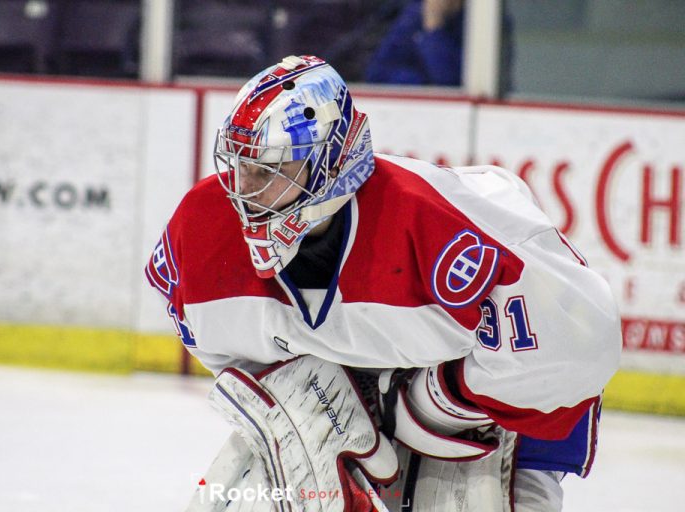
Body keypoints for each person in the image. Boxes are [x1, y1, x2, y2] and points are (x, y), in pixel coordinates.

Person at [146, 55, 621, 511]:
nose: (247, 192)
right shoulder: (202, 228)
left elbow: (579, 344)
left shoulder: (437, 225)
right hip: (368, 395)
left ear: (331, 166)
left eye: (275, 171)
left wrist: (437, 406)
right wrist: (312, 404)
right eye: (244, 167)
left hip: (498, 419)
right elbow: (236, 356)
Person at [365, 0, 465, 86]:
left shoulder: (474, 24)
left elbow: (451, 82)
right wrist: (420, 83)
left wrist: (433, 30)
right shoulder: (415, 15)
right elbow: (377, 74)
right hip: (414, 103)